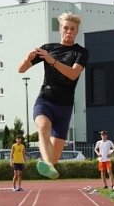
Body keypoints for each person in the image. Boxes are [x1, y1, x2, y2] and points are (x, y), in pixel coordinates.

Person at [17, 13, 89, 180]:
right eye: (65, 28)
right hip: (45, 101)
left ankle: (49, 163)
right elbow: (21, 70)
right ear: (60, 29)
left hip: (64, 107)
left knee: (55, 158)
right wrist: (26, 60)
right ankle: (48, 164)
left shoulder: (81, 52)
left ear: (77, 31)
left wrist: (52, 61)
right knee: (42, 127)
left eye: (72, 29)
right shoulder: (48, 48)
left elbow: (73, 74)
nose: (69, 31)